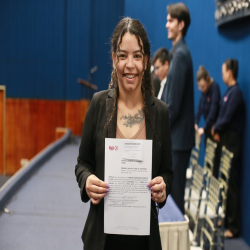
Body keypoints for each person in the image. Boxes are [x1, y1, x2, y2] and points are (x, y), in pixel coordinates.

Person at [75, 17, 173, 250]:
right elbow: (82, 163)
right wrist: (87, 180)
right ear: (114, 60)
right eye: (123, 55)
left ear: (146, 60)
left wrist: (163, 187)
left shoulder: (160, 113)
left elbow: (167, 172)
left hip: (144, 240)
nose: (130, 64)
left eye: (137, 56)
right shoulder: (99, 104)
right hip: (102, 239)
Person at [162, 2, 195, 214]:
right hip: (175, 140)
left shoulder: (181, 55)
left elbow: (172, 106)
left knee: (174, 205)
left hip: (178, 142)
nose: (166, 24)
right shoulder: (177, 53)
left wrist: (155, 129)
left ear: (181, 24)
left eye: (171, 21)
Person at [212, 58, 244, 238]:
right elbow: (222, 115)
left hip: (232, 146)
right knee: (224, 184)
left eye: (223, 71)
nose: (222, 74)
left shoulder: (236, 93)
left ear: (230, 72)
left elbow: (227, 117)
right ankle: (224, 219)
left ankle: (233, 226)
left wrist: (216, 128)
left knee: (231, 187)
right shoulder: (229, 92)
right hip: (225, 144)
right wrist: (216, 128)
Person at [194, 66, 221, 143]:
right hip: (207, 131)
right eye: (199, 87)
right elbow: (200, 108)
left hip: (215, 131)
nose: (202, 89)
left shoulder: (215, 87)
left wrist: (204, 128)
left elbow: (213, 110)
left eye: (203, 86)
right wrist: (195, 122)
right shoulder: (204, 92)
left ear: (207, 78)